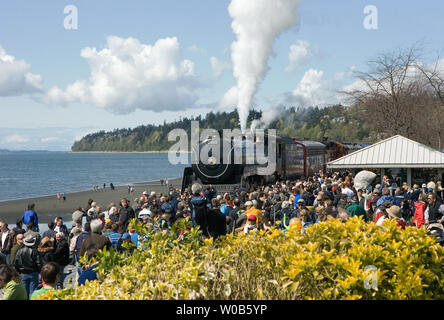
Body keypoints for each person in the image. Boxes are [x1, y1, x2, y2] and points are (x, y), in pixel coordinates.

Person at [14, 234, 42, 299]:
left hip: (23, 273)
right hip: (33, 272)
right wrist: (39, 271)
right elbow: (39, 263)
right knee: (33, 291)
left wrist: (19, 271)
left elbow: (16, 263)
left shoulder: (20, 251)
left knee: (24, 291)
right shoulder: (35, 251)